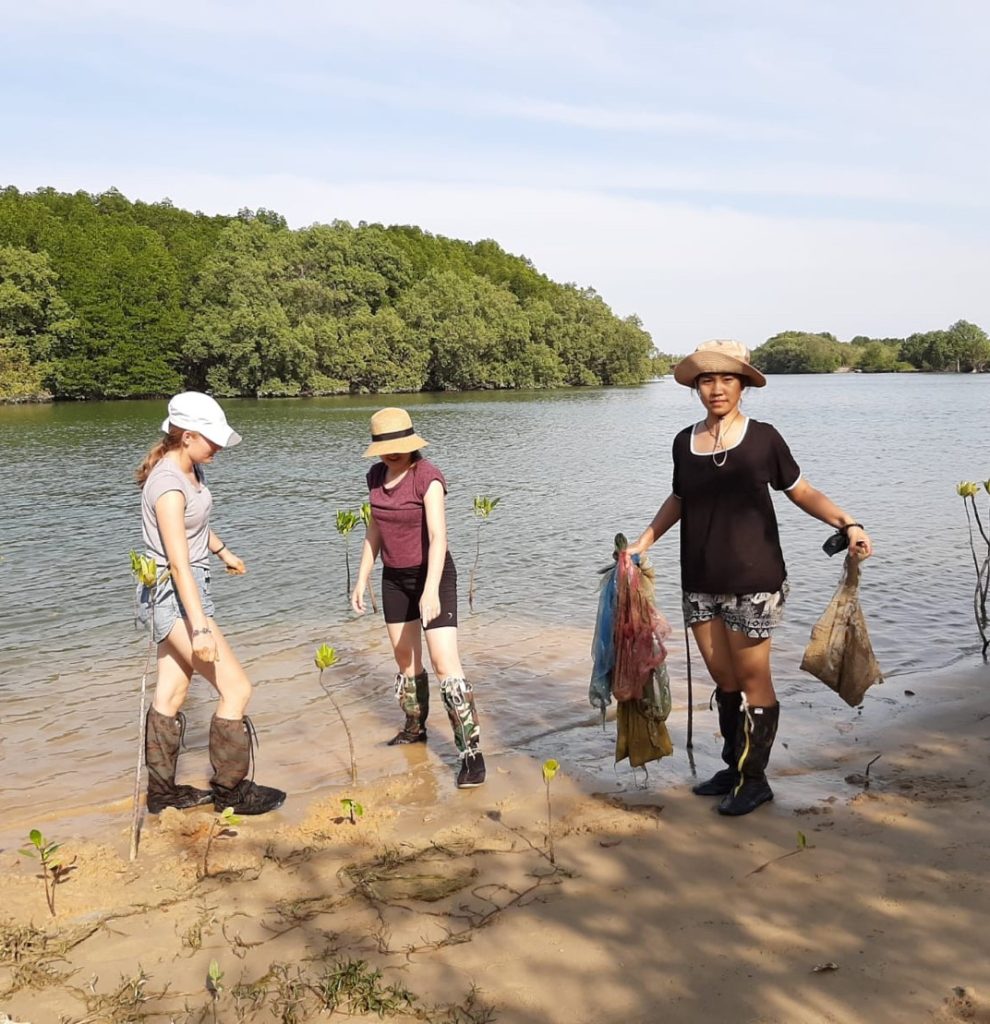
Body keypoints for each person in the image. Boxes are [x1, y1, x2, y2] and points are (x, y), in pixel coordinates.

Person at [626, 341, 872, 816]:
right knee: (724, 677)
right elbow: (679, 498)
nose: (716, 389)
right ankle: (734, 766)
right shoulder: (684, 441)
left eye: (726, 380)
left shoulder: (763, 438)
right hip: (698, 577)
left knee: (753, 676)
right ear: (696, 387)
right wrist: (644, 541)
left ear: (742, 386)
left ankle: (755, 780)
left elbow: (801, 491)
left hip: (755, 578)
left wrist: (847, 522)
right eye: (706, 380)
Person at [136, 392, 286, 816]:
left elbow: (195, 526)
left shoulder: (190, 469)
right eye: (211, 439)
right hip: (175, 595)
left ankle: (163, 795)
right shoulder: (166, 485)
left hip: (186, 590)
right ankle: (230, 792)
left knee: (172, 692)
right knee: (237, 688)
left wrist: (223, 552)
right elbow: (178, 562)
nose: (218, 446)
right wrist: (199, 627)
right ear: (186, 436)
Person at [351, 407, 486, 789]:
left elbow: (439, 537)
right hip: (394, 578)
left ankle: (470, 755)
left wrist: (430, 590)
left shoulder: (428, 478)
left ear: (412, 444)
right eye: (385, 447)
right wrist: (362, 579)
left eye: (399, 446)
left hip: (435, 576)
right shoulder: (376, 476)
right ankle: (415, 729)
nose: (392, 453)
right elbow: (375, 528)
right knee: (405, 661)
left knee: (446, 665)